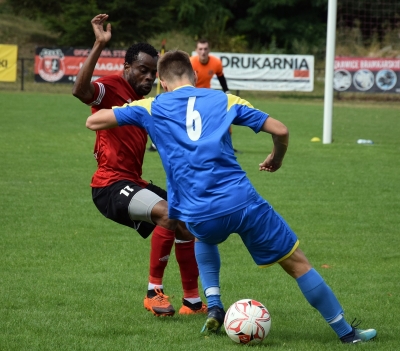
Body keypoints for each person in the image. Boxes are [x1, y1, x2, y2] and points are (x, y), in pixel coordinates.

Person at [85, 50, 377, 344]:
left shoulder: (151, 107)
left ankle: (214, 304)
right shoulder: (225, 100)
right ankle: (347, 333)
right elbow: (281, 130)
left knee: (203, 236)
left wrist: (132, 111)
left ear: (161, 79)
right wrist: (276, 157)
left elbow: (94, 123)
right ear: (196, 76)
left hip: (198, 212)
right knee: (297, 263)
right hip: (242, 201)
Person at [72, 14, 206, 317]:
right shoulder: (112, 87)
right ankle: (153, 293)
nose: (147, 78)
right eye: (142, 71)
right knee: (169, 215)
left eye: (152, 73)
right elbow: (81, 91)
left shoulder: (150, 103)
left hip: (133, 181)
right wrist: (98, 45)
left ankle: (193, 303)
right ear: (126, 68)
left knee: (187, 225)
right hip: (108, 185)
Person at [190, 39, 240, 153]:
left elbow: (221, 76)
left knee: (225, 113)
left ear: (209, 50)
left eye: (205, 49)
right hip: (193, 96)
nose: (203, 52)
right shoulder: (190, 63)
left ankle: (228, 146)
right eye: (200, 49)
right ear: (196, 50)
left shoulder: (216, 62)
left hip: (207, 95)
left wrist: (227, 91)